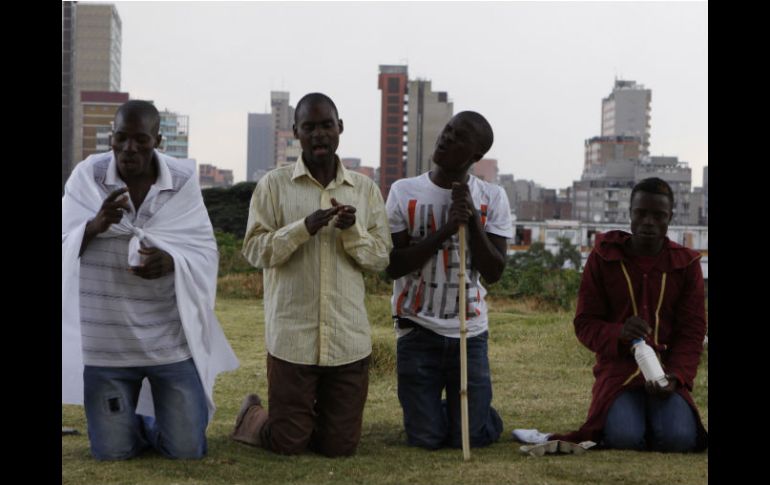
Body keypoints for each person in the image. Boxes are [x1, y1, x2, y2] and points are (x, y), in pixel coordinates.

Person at [62, 100, 239, 460]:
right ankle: (137, 419)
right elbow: (65, 240)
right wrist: (96, 226)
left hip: (168, 344)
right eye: (121, 138)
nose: (130, 149)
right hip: (107, 347)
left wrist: (173, 261)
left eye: (141, 140)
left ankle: (149, 416)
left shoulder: (184, 181)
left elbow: (204, 251)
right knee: (113, 454)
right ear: (110, 138)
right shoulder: (88, 176)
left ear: (157, 140)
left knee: (187, 450)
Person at [231, 93, 391, 457]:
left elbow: (381, 258)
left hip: (347, 341)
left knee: (339, 448)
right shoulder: (273, 185)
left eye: (326, 125)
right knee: (289, 444)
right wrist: (302, 228)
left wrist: (352, 231)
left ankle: (310, 421)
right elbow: (255, 250)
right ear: (295, 133)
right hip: (292, 339)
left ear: (340, 128)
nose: (319, 134)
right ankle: (252, 416)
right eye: (309, 127)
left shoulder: (364, 190)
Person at [549, 177, 708, 452]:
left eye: (658, 215)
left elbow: (692, 332)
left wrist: (677, 377)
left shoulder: (687, 264)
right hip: (619, 374)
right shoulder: (603, 257)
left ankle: (656, 418)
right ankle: (631, 419)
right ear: (630, 214)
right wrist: (618, 332)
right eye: (641, 213)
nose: (648, 221)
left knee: (679, 440)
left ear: (669, 218)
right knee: (625, 439)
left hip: (666, 373)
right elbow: (585, 323)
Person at [384, 111, 512, 449]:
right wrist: (444, 229)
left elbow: (495, 272)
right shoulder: (403, 191)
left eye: (458, 138)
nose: (446, 139)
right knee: (425, 439)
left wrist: (471, 219)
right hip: (417, 329)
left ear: (475, 156)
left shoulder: (493, 198)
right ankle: (450, 411)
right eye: (447, 131)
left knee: (469, 437)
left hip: (469, 333)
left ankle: (475, 413)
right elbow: (394, 266)